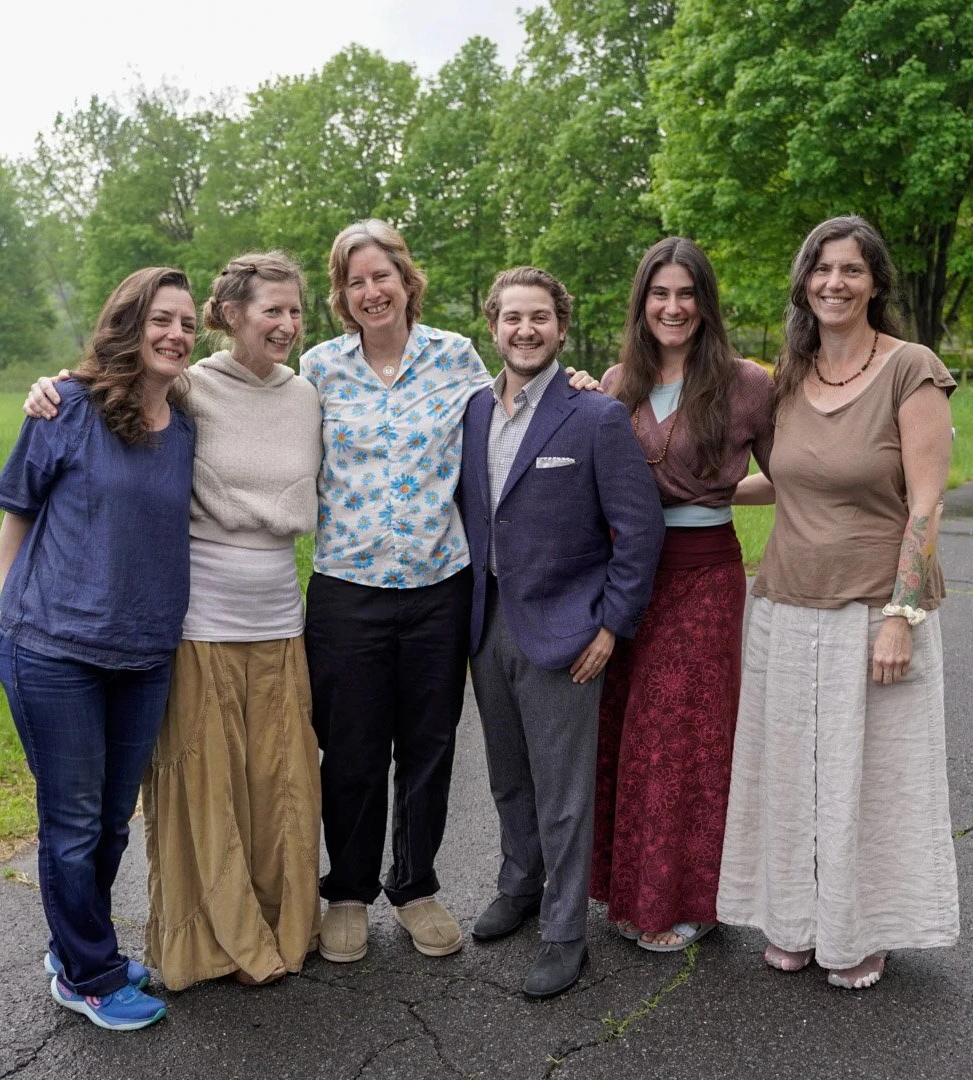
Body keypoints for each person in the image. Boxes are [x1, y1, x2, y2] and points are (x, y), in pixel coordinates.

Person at [21, 253, 325, 991]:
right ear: (232, 316)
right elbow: (116, 383)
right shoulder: (190, 388)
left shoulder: (309, 395)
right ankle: (204, 944)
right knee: (202, 796)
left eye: (295, 311)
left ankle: (281, 926)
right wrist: (52, 387)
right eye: (271, 310)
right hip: (199, 622)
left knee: (279, 788)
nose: (286, 324)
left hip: (280, 618)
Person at [300, 220, 600, 966]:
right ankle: (347, 892)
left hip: (440, 586)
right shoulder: (319, 368)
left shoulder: (455, 356)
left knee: (428, 747)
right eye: (355, 281)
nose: (372, 291)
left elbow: (518, 404)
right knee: (352, 750)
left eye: (383, 276)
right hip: (348, 589)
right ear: (342, 295)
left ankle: (415, 887)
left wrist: (581, 385)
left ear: (407, 282)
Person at [718, 215, 959, 991]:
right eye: (822, 269)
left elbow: (927, 504)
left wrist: (902, 617)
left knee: (873, 781)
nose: (835, 283)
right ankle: (793, 920)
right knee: (791, 774)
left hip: (874, 611)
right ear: (804, 283)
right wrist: (692, 491)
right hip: (785, 605)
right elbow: (785, 480)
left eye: (852, 269)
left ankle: (862, 930)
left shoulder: (910, 368)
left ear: (876, 282)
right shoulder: (790, 376)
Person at [0, 266, 197, 1031]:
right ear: (128, 324)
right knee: (72, 825)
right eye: (161, 319)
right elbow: (16, 514)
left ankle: (75, 947)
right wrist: (15, 609)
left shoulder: (186, 425)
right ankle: (89, 975)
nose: (176, 334)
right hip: (55, 653)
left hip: (143, 654)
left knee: (109, 823)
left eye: (187, 324)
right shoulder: (66, 407)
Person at [458, 267, 663, 998]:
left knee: (564, 791)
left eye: (540, 317)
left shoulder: (595, 416)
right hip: (486, 622)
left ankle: (564, 931)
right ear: (493, 327)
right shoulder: (473, 411)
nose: (526, 330)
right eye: (512, 318)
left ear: (562, 327)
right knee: (508, 775)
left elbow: (640, 529)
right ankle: (519, 884)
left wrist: (611, 626)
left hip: (567, 630)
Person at [590, 237, 775, 952]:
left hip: (703, 577)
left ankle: (687, 898)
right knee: (627, 729)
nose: (673, 307)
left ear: (706, 302)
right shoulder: (619, 381)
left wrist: (720, 493)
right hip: (627, 575)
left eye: (686, 293)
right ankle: (628, 887)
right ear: (641, 303)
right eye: (659, 294)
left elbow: (789, 476)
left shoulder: (746, 383)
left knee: (680, 736)